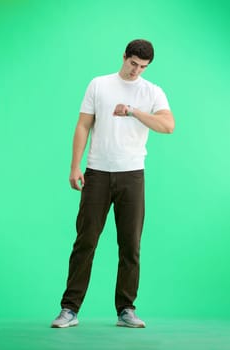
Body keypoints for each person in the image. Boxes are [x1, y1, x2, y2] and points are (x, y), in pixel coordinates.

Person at [51, 39, 175, 329]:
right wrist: (74, 166)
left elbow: (168, 126)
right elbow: (83, 125)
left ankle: (126, 310)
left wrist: (133, 111)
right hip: (97, 173)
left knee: (130, 245)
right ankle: (69, 309)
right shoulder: (99, 85)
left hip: (132, 175)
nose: (136, 71)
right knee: (85, 242)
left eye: (142, 67)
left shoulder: (151, 92)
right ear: (124, 57)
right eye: (133, 64)